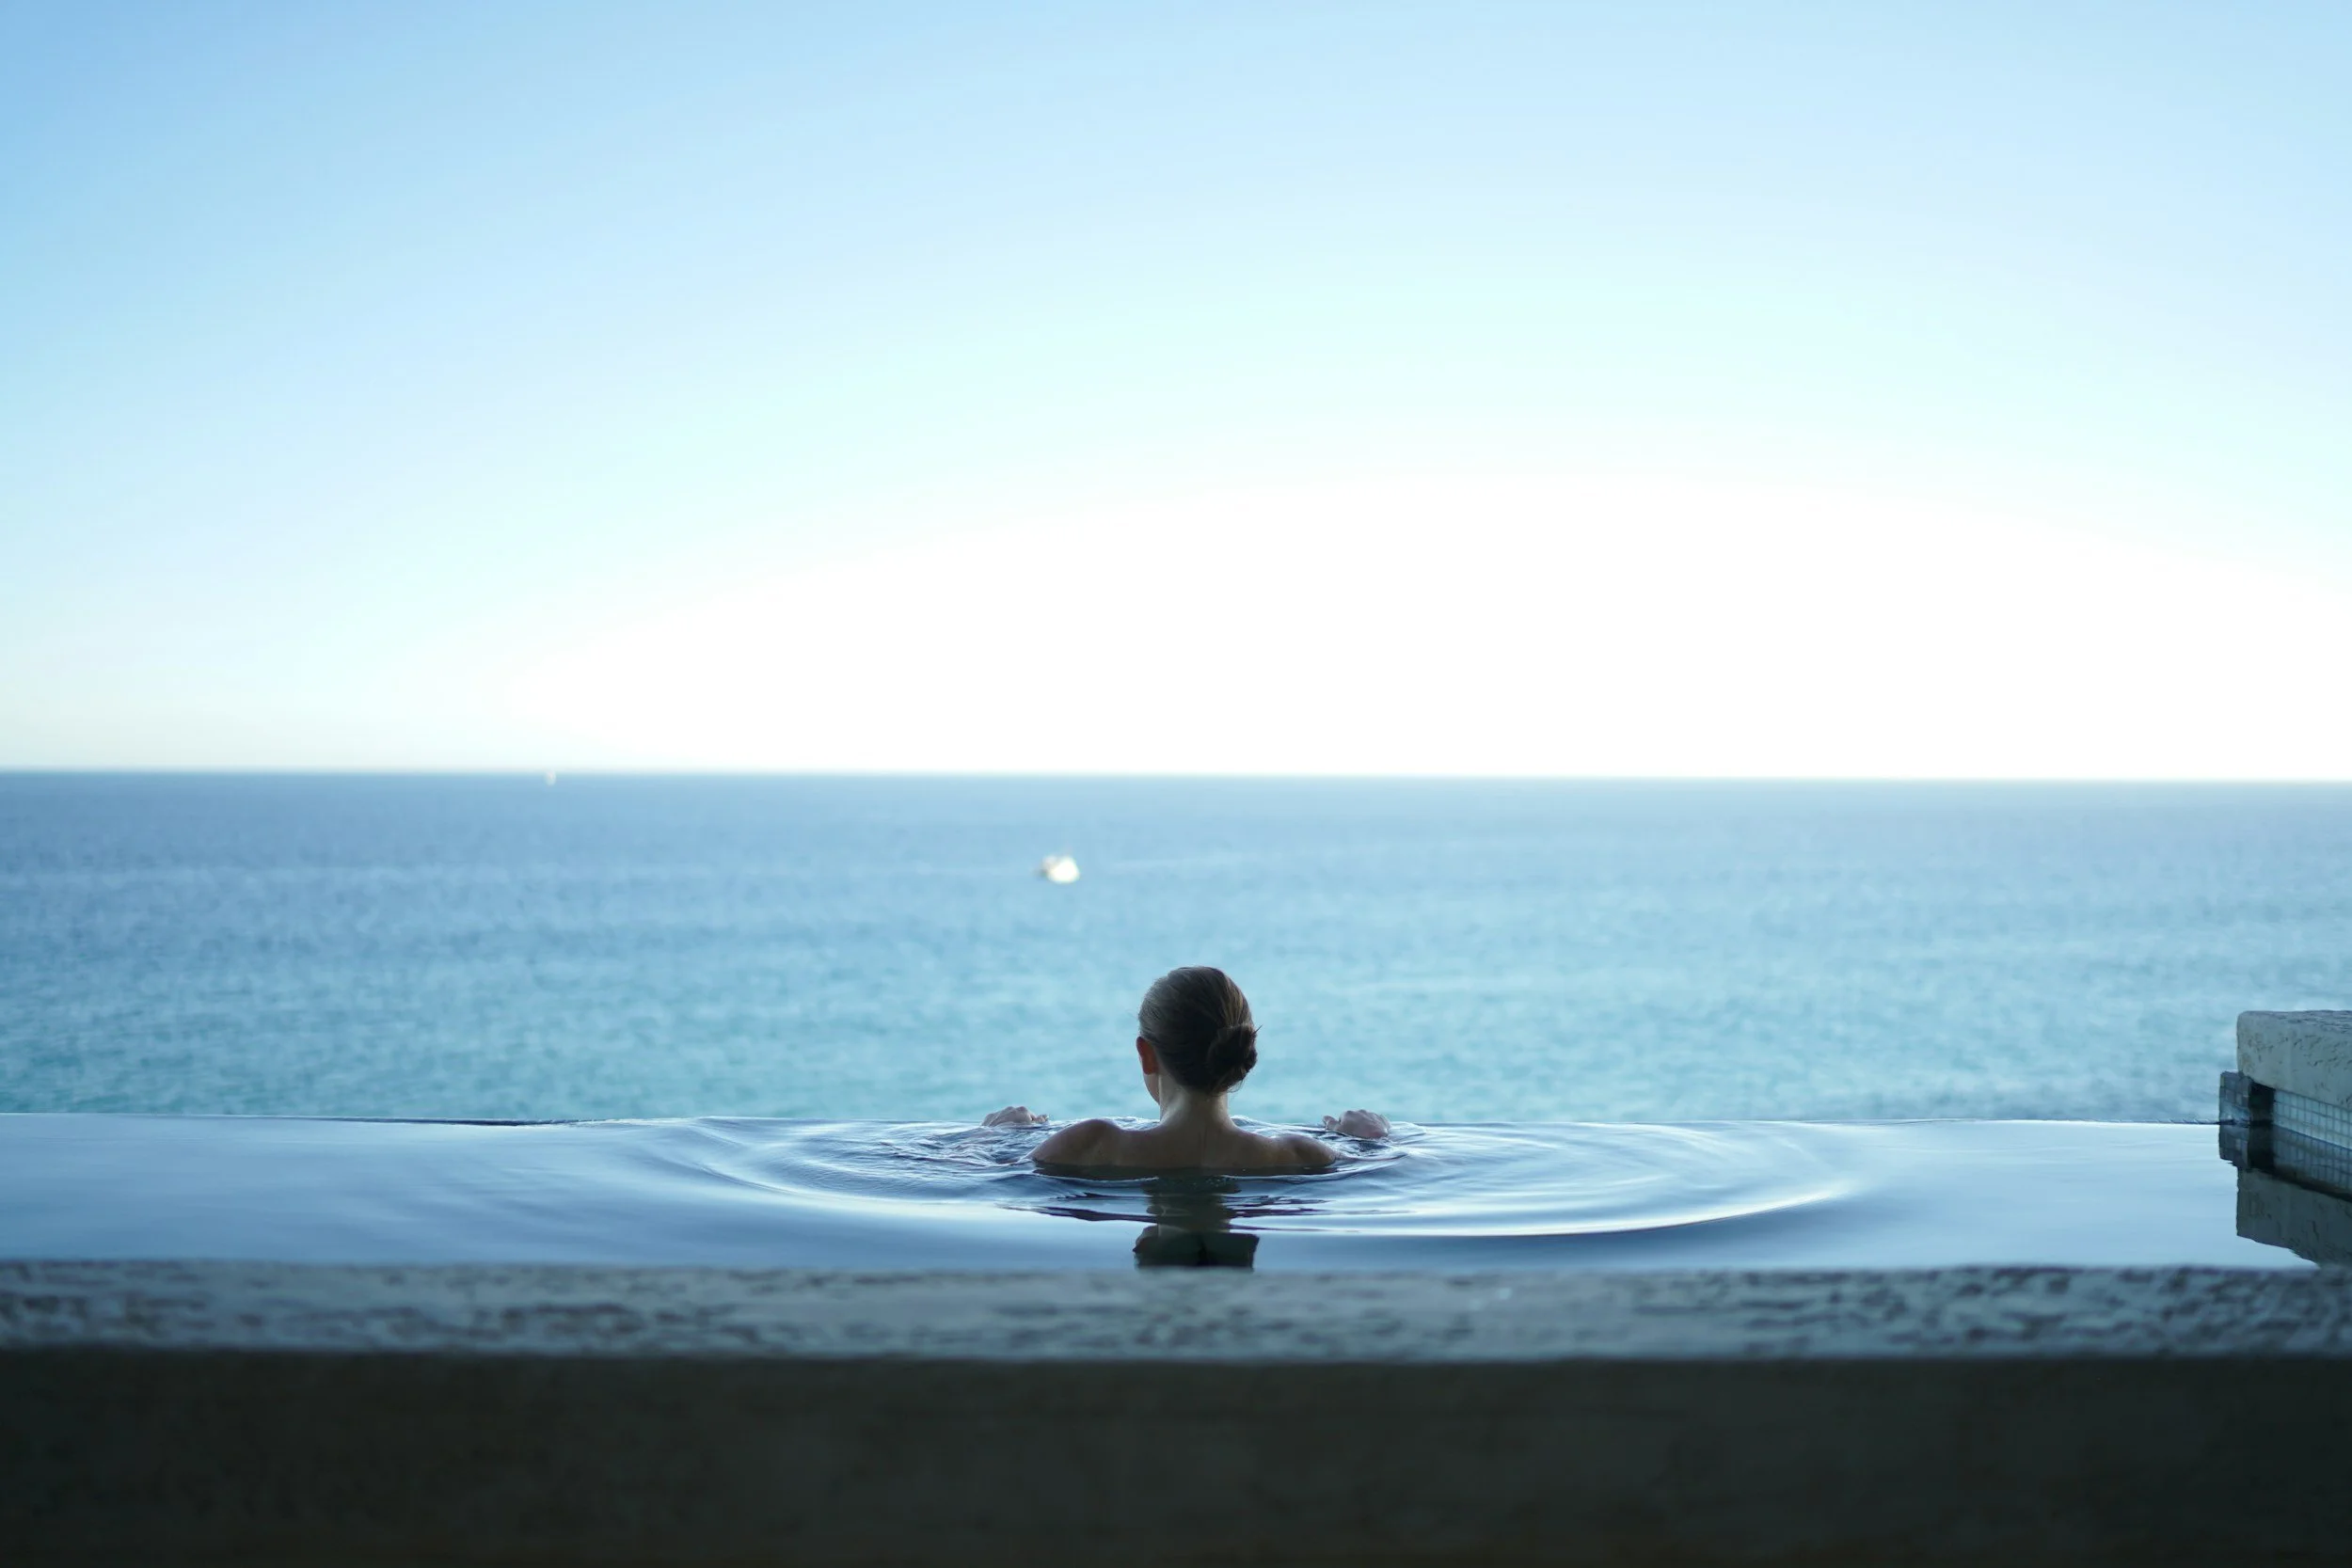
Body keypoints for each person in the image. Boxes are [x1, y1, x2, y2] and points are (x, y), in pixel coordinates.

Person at [984, 965, 1390, 1170]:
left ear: (1146, 1054)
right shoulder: (1300, 1155)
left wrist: (997, 1137)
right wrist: (1370, 1141)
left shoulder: (1091, 1145)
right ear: (1242, 1055)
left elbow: (976, 1174)